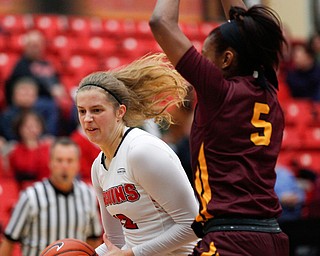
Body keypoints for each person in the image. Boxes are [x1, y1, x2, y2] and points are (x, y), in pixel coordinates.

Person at [150, 0, 289, 255]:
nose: (200, 61)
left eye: (204, 56)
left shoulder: (219, 91)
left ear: (226, 59)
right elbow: (249, 33)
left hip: (230, 240)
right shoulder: (269, 88)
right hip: (272, 238)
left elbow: (160, 22)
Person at [75, 53, 199, 256]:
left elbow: (193, 224)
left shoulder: (141, 152)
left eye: (96, 110)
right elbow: (115, 240)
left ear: (120, 112)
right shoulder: (98, 166)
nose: (88, 119)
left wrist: (133, 253)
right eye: (82, 111)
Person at [0, 137, 103, 256]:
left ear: (78, 164)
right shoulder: (31, 196)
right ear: (50, 163)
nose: (64, 166)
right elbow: (9, 241)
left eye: (70, 161)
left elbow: (94, 239)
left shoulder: (88, 194)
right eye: (59, 160)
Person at [7, 110, 51, 190]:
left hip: (44, 189)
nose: (31, 130)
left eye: (35, 126)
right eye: (27, 126)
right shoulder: (14, 151)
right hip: (20, 189)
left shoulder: (48, 149)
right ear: (19, 129)